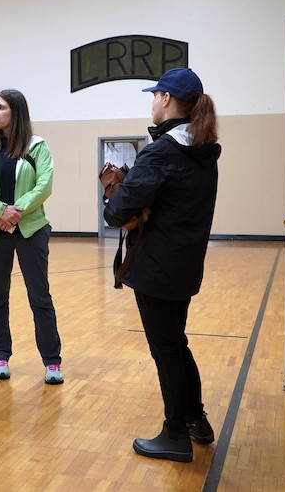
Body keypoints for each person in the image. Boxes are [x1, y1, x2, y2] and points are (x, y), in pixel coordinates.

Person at [103, 68, 221, 462]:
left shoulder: (163, 150)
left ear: (167, 99)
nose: (152, 101)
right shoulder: (203, 150)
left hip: (157, 268)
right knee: (176, 343)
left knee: (166, 349)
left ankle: (174, 434)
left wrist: (115, 190)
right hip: (185, 266)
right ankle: (196, 421)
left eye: (155, 95)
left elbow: (118, 211)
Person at [0, 89, 64, 385]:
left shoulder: (37, 147)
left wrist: (14, 212)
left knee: (40, 297)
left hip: (30, 230)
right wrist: (0, 209)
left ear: (17, 112)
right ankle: (0, 355)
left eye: (1, 107)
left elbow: (43, 185)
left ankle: (51, 361)